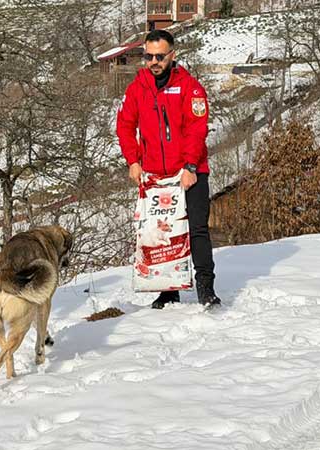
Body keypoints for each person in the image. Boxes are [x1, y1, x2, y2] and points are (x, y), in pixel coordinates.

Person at [116, 29, 221, 310]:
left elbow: (197, 128)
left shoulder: (190, 87)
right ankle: (168, 290)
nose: (154, 62)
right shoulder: (136, 89)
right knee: (161, 232)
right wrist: (133, 161)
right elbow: (124, 126)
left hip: (190, 170)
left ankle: (206, 287)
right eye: (148, 56)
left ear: (172, 55)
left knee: (196, 229)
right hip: (155, 175)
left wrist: (190, 166)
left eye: (159, 57)